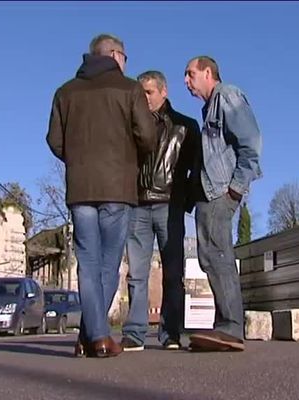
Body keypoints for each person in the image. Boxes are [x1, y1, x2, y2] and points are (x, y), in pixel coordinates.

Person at [46, 34, 156, 358]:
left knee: (88, 262)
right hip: (117, 186)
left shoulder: (65, 92)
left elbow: (54, 140)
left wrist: (78, 160)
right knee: (108, 263)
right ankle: (98, 337)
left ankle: (90, 333)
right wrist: (129, 157)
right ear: (114, 55)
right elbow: (147, 135)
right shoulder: (129, 88)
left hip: (80, 187)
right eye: (125, 56)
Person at [183, 56, 262, 352]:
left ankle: (230, 326)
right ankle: (223, 325)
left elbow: (251, 142)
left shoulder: (226, 95)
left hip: (221, 192)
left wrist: (235, 189)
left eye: (190, 74)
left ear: (208, 72)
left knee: (217, 255)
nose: (187, 82)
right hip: (210, 192)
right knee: (209, 257)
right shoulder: (209, 108)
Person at [120, 70, 200, 352]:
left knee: (172, 273)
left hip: (170, 206)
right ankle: (134, 333)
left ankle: (171, 333)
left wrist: (184, 202)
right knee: (137, 273)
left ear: (163, 92)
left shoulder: (186, 127)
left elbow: (196, 169)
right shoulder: (131, 127)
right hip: (138, 205)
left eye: (149, 93)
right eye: (140, 94)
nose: (144, 99)